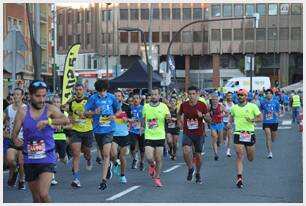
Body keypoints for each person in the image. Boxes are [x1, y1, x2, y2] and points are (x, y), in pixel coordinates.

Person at [11, 81, 70, 202]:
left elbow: (65, 119)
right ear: (30, 95)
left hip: (47, 157)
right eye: (38, 96)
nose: (42, 99)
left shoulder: (50, 109)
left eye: (44, 96)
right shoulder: (23, 111)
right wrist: (16, 140)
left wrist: (48, 122)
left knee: (43, 194)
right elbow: (14, 133)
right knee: (36, 198)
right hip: (29, 158)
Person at [84, 79, 121, 190]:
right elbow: (84, 112)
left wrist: (114, 116)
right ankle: (111, 163)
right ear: (97, 90)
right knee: (110, 155)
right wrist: (93, 112)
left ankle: (103, 180)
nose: (102, 93)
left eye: (103, 91)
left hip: (109, 129)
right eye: (100, 91)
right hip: (98, 130)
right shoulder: (93, 98)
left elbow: (119, 110)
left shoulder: (111, 97)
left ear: (106, 89)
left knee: (106, 154)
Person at [228, 89, 262, 188]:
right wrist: (229, 123)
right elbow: (231, 116)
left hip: (249, 134)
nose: (240, 97)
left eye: (242, 95)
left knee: (250, 158)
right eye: (239, 95)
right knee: (239, 155)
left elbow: (260, 118)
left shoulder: (252, 106)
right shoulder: (234, 108)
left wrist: (253, 119)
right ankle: (239, 178)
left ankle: (249, 153)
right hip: (238, 133)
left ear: (246, 96)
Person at [178, 86, 211, 184]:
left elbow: (210, 120)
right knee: (185, 151)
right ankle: (190, 168)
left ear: (197, 94)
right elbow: (179, 114)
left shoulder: (202, 105)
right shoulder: (183, 105)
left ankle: (198, 173)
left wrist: (203, 116)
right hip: (187, 132)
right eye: (190, 94)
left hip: (198, 134)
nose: (191, 96)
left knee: (198, 156)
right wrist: (179, 122)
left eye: (193, 94)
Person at [141, 87, 170, 187]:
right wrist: (141, 127)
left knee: (158, 159)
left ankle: (157, 178)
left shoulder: (163, 106)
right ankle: (152, 166)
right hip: (149, 135)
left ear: (159, 95)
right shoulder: (145, 106)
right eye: (152, 94)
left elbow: (168, 117)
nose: (153, 96)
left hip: (160, 136)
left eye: (155, 94)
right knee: (149, 158)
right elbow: (143, 119)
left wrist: (169, 118)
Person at [68, 83, 94, 188]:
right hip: (76, 131)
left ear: (83, 90)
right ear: (74, 91)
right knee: (76, 154)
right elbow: (70, 115)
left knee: (87, 152)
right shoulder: (72, 103)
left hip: (87, 130)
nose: (78, 91)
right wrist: (71, 119)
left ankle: (88, 159)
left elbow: (93, 113)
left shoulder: (88, 101)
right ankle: (76, 179)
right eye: (76, 90)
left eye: (80, 89)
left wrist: (85, 114)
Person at [4, 88, 27, 190]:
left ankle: (22, 180)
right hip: (12, 139)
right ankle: (15, 171)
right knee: (10, 160)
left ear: (22, 96)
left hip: (24, 139)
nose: (16, 96)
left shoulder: (27, 108)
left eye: (18, 94)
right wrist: (5, 128)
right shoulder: (8, 108)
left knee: (22, 162)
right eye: (14, 94)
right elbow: (6, 120)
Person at [111, 90, 132, 183]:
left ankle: (122, 175)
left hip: (124, 134)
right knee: (113, 154)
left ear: (122, 97)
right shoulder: (110, 107)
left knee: (123, 157)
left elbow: (132, 119)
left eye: (119, 96)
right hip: (113, 134)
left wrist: (127, 119)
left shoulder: (127, 107)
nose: (117, 98)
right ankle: (115, 164)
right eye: (115, 96)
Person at [51, 95, 72, 185]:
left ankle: (65, 157)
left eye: (57, 102)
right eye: (54, 102)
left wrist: (62, 127)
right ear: (52, 103)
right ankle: (52, 177)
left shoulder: (65, 113)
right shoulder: (48, 113)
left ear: (60, 103)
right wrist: (52, 126)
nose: (56, 103)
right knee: (54, 157)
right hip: (51, 138)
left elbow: (71, 125)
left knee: (62, 158)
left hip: (62, 137)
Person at [260, 89, 281, 159]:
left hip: (274, 121)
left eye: (270, 93)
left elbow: (279, 111)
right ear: (265, 95)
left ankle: (272, 141)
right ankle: (270, 152)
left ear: (272, 94)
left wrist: (277, 113)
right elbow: (261, 110)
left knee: (273, 138)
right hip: (266, 122)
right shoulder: (263, 102)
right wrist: (260, 117)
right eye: (267, 94)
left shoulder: (276, 102)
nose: (268, 95)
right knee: (268, 136)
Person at [129, 93, 145, 170]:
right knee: (132, 146)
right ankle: (134, 159)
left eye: (137, 98)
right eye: (134, 98)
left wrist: (142, 126)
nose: (135, 100)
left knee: (142, 148)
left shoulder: (143, 108)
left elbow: (146, 118)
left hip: (142, 131)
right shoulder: (130, 108)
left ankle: (142, 162)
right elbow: (127, 117)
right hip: (132, 130)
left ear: (140, 100)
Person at [209, 94, 226, 161]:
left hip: (220, 124)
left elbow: (227, 113)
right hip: (213, 124)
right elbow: (206, 114)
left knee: (220, 139)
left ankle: (218, 142)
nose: (214, 101)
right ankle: (216, 154)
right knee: (214, 137)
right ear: (211, 100)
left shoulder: (221, 106)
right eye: (213, 100)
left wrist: (222, 115)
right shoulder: (209, 107)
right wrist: (209, 119)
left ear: (218, 100)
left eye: (216, 99)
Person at [223, 92, 234, 157]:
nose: (229, 97)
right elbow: (223, 111)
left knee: (230, 135)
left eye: (230, 96)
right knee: (224, 136)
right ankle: (224, 138)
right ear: (226, 97)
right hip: (224, 121)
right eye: (228, 96)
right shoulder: (224, 104)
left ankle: (228, 151)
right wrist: (226, 113)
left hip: (230, 122)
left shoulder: (234, 105)